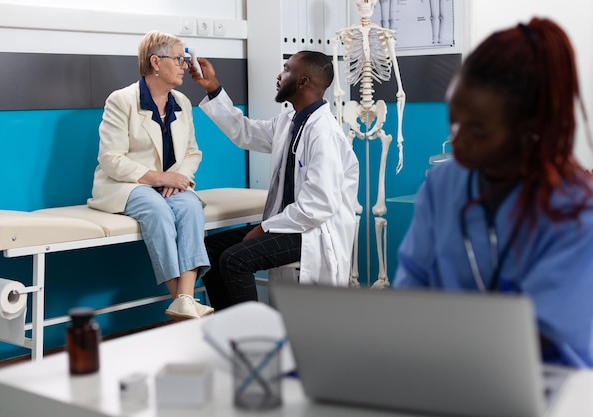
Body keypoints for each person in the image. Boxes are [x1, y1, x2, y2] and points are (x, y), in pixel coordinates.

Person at [393, 18, 593, 368]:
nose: (457, 139)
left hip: (551, 385)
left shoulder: (577, 209)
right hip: (447, 372)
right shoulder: (444, 184)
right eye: (453, 119)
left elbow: (536, 336)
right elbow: (411, 290)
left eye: (478, 131)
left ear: (528, 128)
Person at [189, 51, 359, 310]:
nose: (279, 76)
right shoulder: (290, 121)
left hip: (311, 231)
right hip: (288, 223)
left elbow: (319, 206)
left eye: (287, 70)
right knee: (210, 250)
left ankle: (255, 339)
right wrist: (213, 87)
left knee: (235, 260)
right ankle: (229, 330)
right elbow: (245, 132)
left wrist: (264, 228)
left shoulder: (324, 134)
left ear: (303, 82)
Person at [87, 30, 212, 321]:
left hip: (168, 184)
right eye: (180, 59)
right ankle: (183, 299)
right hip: (127, 185)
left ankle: (184, 301)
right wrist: (159, 178)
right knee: (156, 210)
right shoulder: (121, 101)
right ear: (156, 62)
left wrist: (177, 177)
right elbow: (110, 159)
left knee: (192, 206)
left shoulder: (181, 102)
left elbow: (193, 152)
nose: (185, 64)